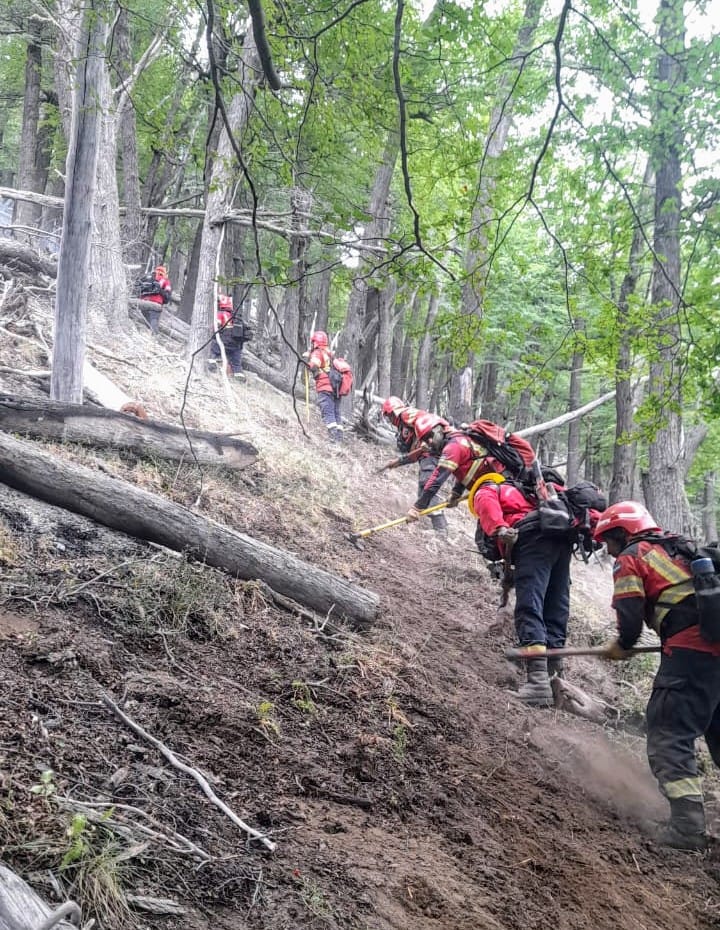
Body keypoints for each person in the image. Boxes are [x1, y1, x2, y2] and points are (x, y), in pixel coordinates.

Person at [594, 501, 720, 851]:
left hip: (692, 652)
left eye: (609, 540)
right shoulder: (682, 548)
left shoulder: (633, 556)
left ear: (622, 532)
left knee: (669, 730)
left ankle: (686, 829)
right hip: (712, 649)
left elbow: (630, 615)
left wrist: (622, 644)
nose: (608, 549)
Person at [470, 470, 574, 705]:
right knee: (555, 604)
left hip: (532, 538)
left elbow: (487, 507)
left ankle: (538, 682)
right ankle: (556, 676)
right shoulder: (532, 497)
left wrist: (498, 528)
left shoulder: (489, 488)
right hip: (562, 536)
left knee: (530, 605)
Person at [380, 397, 449, 538]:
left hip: (433, 454)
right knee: (422, 493)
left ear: (392, 413)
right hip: (427, 455)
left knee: (427, 486)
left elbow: (428, 421)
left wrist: (429, 438)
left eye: (389, 416)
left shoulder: (407, 414)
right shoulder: (405, 429)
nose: (390, 420)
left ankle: (441, 529)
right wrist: (398, 462)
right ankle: (437, 524)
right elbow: (414, 454)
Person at [306, 330, 342, 443]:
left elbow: (314, 365)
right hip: (336, 388)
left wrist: (307, 361)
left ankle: (333, 439)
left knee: (328, 411)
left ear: (315, 342)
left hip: (325, 387)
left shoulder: (317, 352)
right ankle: (339, 437)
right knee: (336, 412)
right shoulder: (329, 353)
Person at [209, 295, 248, 380]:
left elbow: (216, 327)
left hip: (225, 341)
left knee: (213, 349)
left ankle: (212, 364)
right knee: (236, 363)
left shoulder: (220, 314)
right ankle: (238, 375)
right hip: (237, 345)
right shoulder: (235, 316)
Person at [139, 265, 172, 335]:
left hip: (143, 302)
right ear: (165, 273)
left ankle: (144, 335)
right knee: (154, 322)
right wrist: (160, 290)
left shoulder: (147, 277)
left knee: (144, 322)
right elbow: (167, 298)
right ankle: (154, 338)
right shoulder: (165, 281)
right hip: (156, 305)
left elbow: (139, 288)